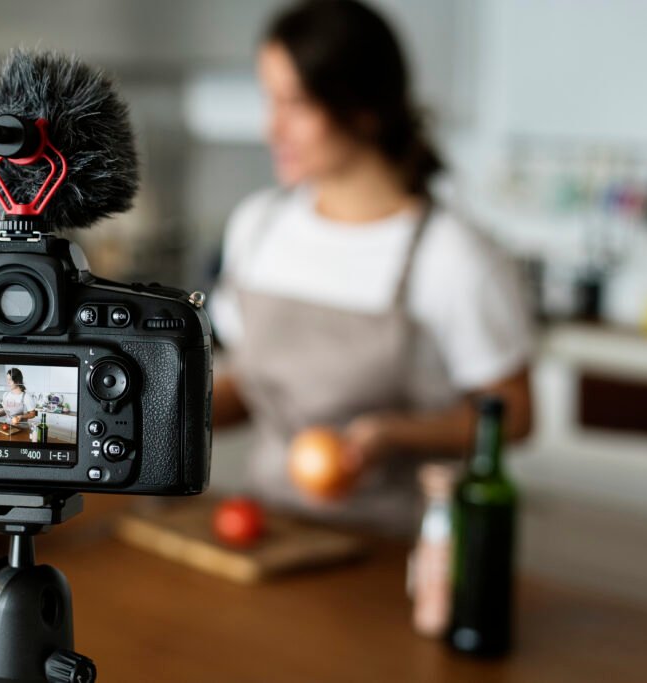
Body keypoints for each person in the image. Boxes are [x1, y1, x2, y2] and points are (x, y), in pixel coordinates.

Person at [210, 0, 533, 535]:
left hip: (393, 547)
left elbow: (515, 415)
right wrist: (162, 415)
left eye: (296, 103)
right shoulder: (258, 225)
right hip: (268, 528)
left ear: (362, 108)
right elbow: (248, 382)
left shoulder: (453, 256)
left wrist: (394, 433)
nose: (272, 128)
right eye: (270, 100)